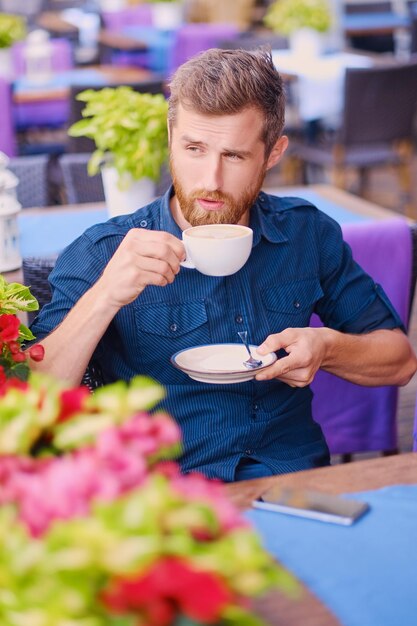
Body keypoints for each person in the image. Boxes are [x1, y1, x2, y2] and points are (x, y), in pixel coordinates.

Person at [30, 48, 417, 481]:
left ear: (273, 153)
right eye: (194, 148)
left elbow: (399, 360)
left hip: (293, 481)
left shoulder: (307, 233)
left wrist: (327, 347)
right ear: (170, 136)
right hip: (163, 497)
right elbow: (34, 402)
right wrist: (104, 295)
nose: (209, 180)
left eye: (233, 156)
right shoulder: (105, 251)